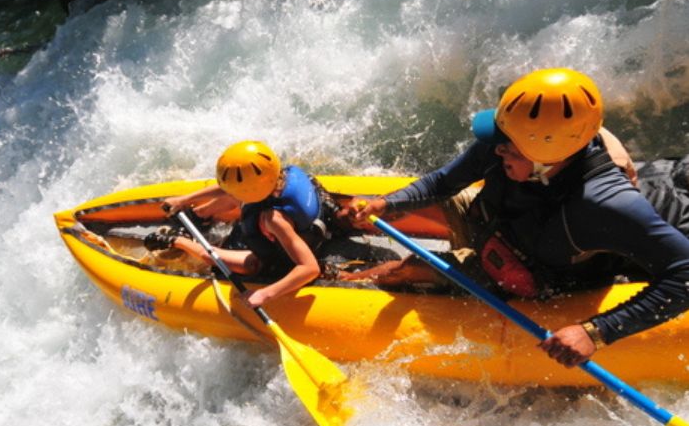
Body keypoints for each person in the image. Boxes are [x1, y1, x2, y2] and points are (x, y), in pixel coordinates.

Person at [340, 68, 689, 368]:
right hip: (498, 223)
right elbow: (444, 182)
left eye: (510, 146)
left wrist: (597, 331)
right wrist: (385, 205)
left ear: (546, 154)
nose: (498, 148)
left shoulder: (601, 203)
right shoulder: (507, 143)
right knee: (413, 206)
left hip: (535, 270)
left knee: (408, 269)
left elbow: (684, 274)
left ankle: (337, 280)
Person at [145, 140, 334, 309]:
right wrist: (185, 200)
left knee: (211, 255)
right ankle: (199, 215)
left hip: (278, 258)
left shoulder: (275, 220)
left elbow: (310, 268)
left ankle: (177, 241)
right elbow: (231, 189)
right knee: (238, 198)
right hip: (309, 225)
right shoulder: (277, 175)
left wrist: (263, 294)